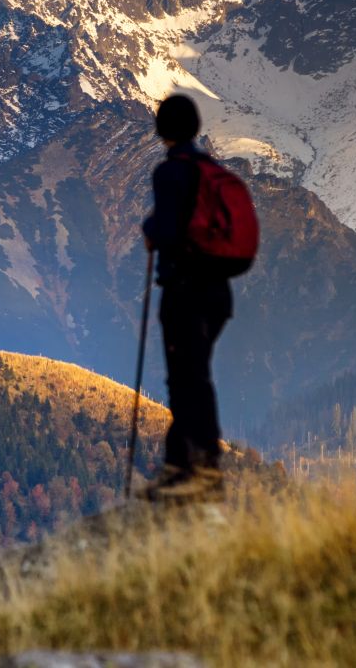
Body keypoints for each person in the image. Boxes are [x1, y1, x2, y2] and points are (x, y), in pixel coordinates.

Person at [139, 94, 232, 500]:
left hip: (184, 292)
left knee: (186, 380)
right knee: (193, 376)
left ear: (163, 130)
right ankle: (182, 467)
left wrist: (150, 230)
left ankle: (201, 468)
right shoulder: (214, 172)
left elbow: (167, 230)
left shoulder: (170, 172)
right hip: (218, 294)